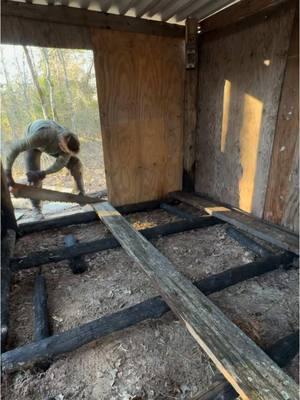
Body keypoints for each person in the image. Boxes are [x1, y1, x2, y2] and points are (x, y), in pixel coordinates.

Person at [5, 119, 85, 217]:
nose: (65, 153)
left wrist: (44, 173)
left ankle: (81, 196)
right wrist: (7, 172)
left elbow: (60, 163)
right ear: (60, 142)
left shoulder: (69, 141)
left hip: (52, 141)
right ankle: (36, 208)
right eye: (64, 150)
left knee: (76, 164)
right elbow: (14, 148)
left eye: (67, 152)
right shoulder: (42, 136)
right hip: (35, 142)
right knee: (34, 177)